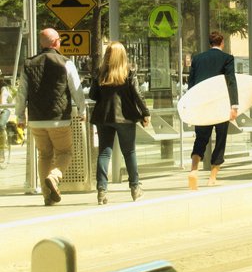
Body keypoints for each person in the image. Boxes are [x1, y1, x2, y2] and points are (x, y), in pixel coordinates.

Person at [15, 28, 86, 206]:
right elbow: (76, 88)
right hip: (59, 117)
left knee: (44, 155)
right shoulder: (65, 62)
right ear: (56, 43)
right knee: (65, 152)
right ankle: (54, 177)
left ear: (41, 43)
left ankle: (48, 196)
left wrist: (19, 116)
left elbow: (21, 93)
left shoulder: (28, 64)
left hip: (36, 119)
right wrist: (82, 109)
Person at [89, 42, 151, 205]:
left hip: (104, 117)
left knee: (104, 152)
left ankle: (102, 190)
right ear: (122, 55)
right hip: (125, 117)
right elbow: (137, 94)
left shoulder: (99, 73)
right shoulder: (129, 72)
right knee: (129, 152)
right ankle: (135, 188)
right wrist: (145, 113)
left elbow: (93, 95)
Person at [187, 31, 238, 190]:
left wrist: (192, 105)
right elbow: (231, 81)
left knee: (201, 138)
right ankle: (212, 178)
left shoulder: (197, 59)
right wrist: (234, 105)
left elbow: (192, 84)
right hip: (220, 104)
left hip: (203, 104)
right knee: (220, 139)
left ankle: (194, 170)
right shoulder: (227, 58)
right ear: (221, 42)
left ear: (210, 43)